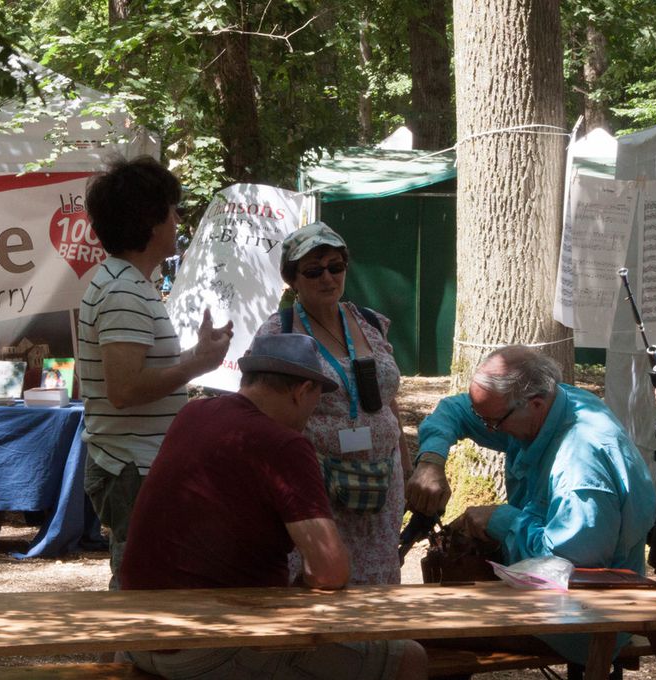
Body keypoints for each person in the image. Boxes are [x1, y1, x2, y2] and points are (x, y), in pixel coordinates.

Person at [120, 333, 427, 680]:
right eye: (317, 399)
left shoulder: (193, 412)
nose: (313, 414)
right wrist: (305, 580)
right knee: (409, 658)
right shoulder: (284, 445)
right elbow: (331, 570)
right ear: (302, 390)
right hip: (211, 647)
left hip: (138, 634)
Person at [405, 345, 656, 664]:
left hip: (584, 618)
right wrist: (431, 460)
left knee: (425, 632)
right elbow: (455, 411)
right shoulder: (547, 406)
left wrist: (500, 519)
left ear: (535, 404)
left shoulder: (581, 465)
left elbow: (572, 566)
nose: (489, 430)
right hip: (538, 596)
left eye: (493, 423)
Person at [78, 155, 233, 588]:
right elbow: (124, 389)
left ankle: (128, 653)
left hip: (133, 464)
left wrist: (195, 354)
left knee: (143, 577)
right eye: (172, 208)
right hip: (132, 468)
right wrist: (196, 363)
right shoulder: (123, 290)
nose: (178, 219)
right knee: (139, 583)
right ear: (149, 220)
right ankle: (125, 655)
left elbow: (131, 377)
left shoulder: (125, 283)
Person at [255, 221, 410, 585]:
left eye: (335, 267)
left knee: (379, 578)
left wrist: (403, 453)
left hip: (383, 481)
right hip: (317, 482)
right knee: (323, 577)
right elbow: (262, 409)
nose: (327, 278)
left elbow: (389, 399)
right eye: (313, 270)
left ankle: (380, 642)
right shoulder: (280, 331)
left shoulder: (371, 323)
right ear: (293, 279)